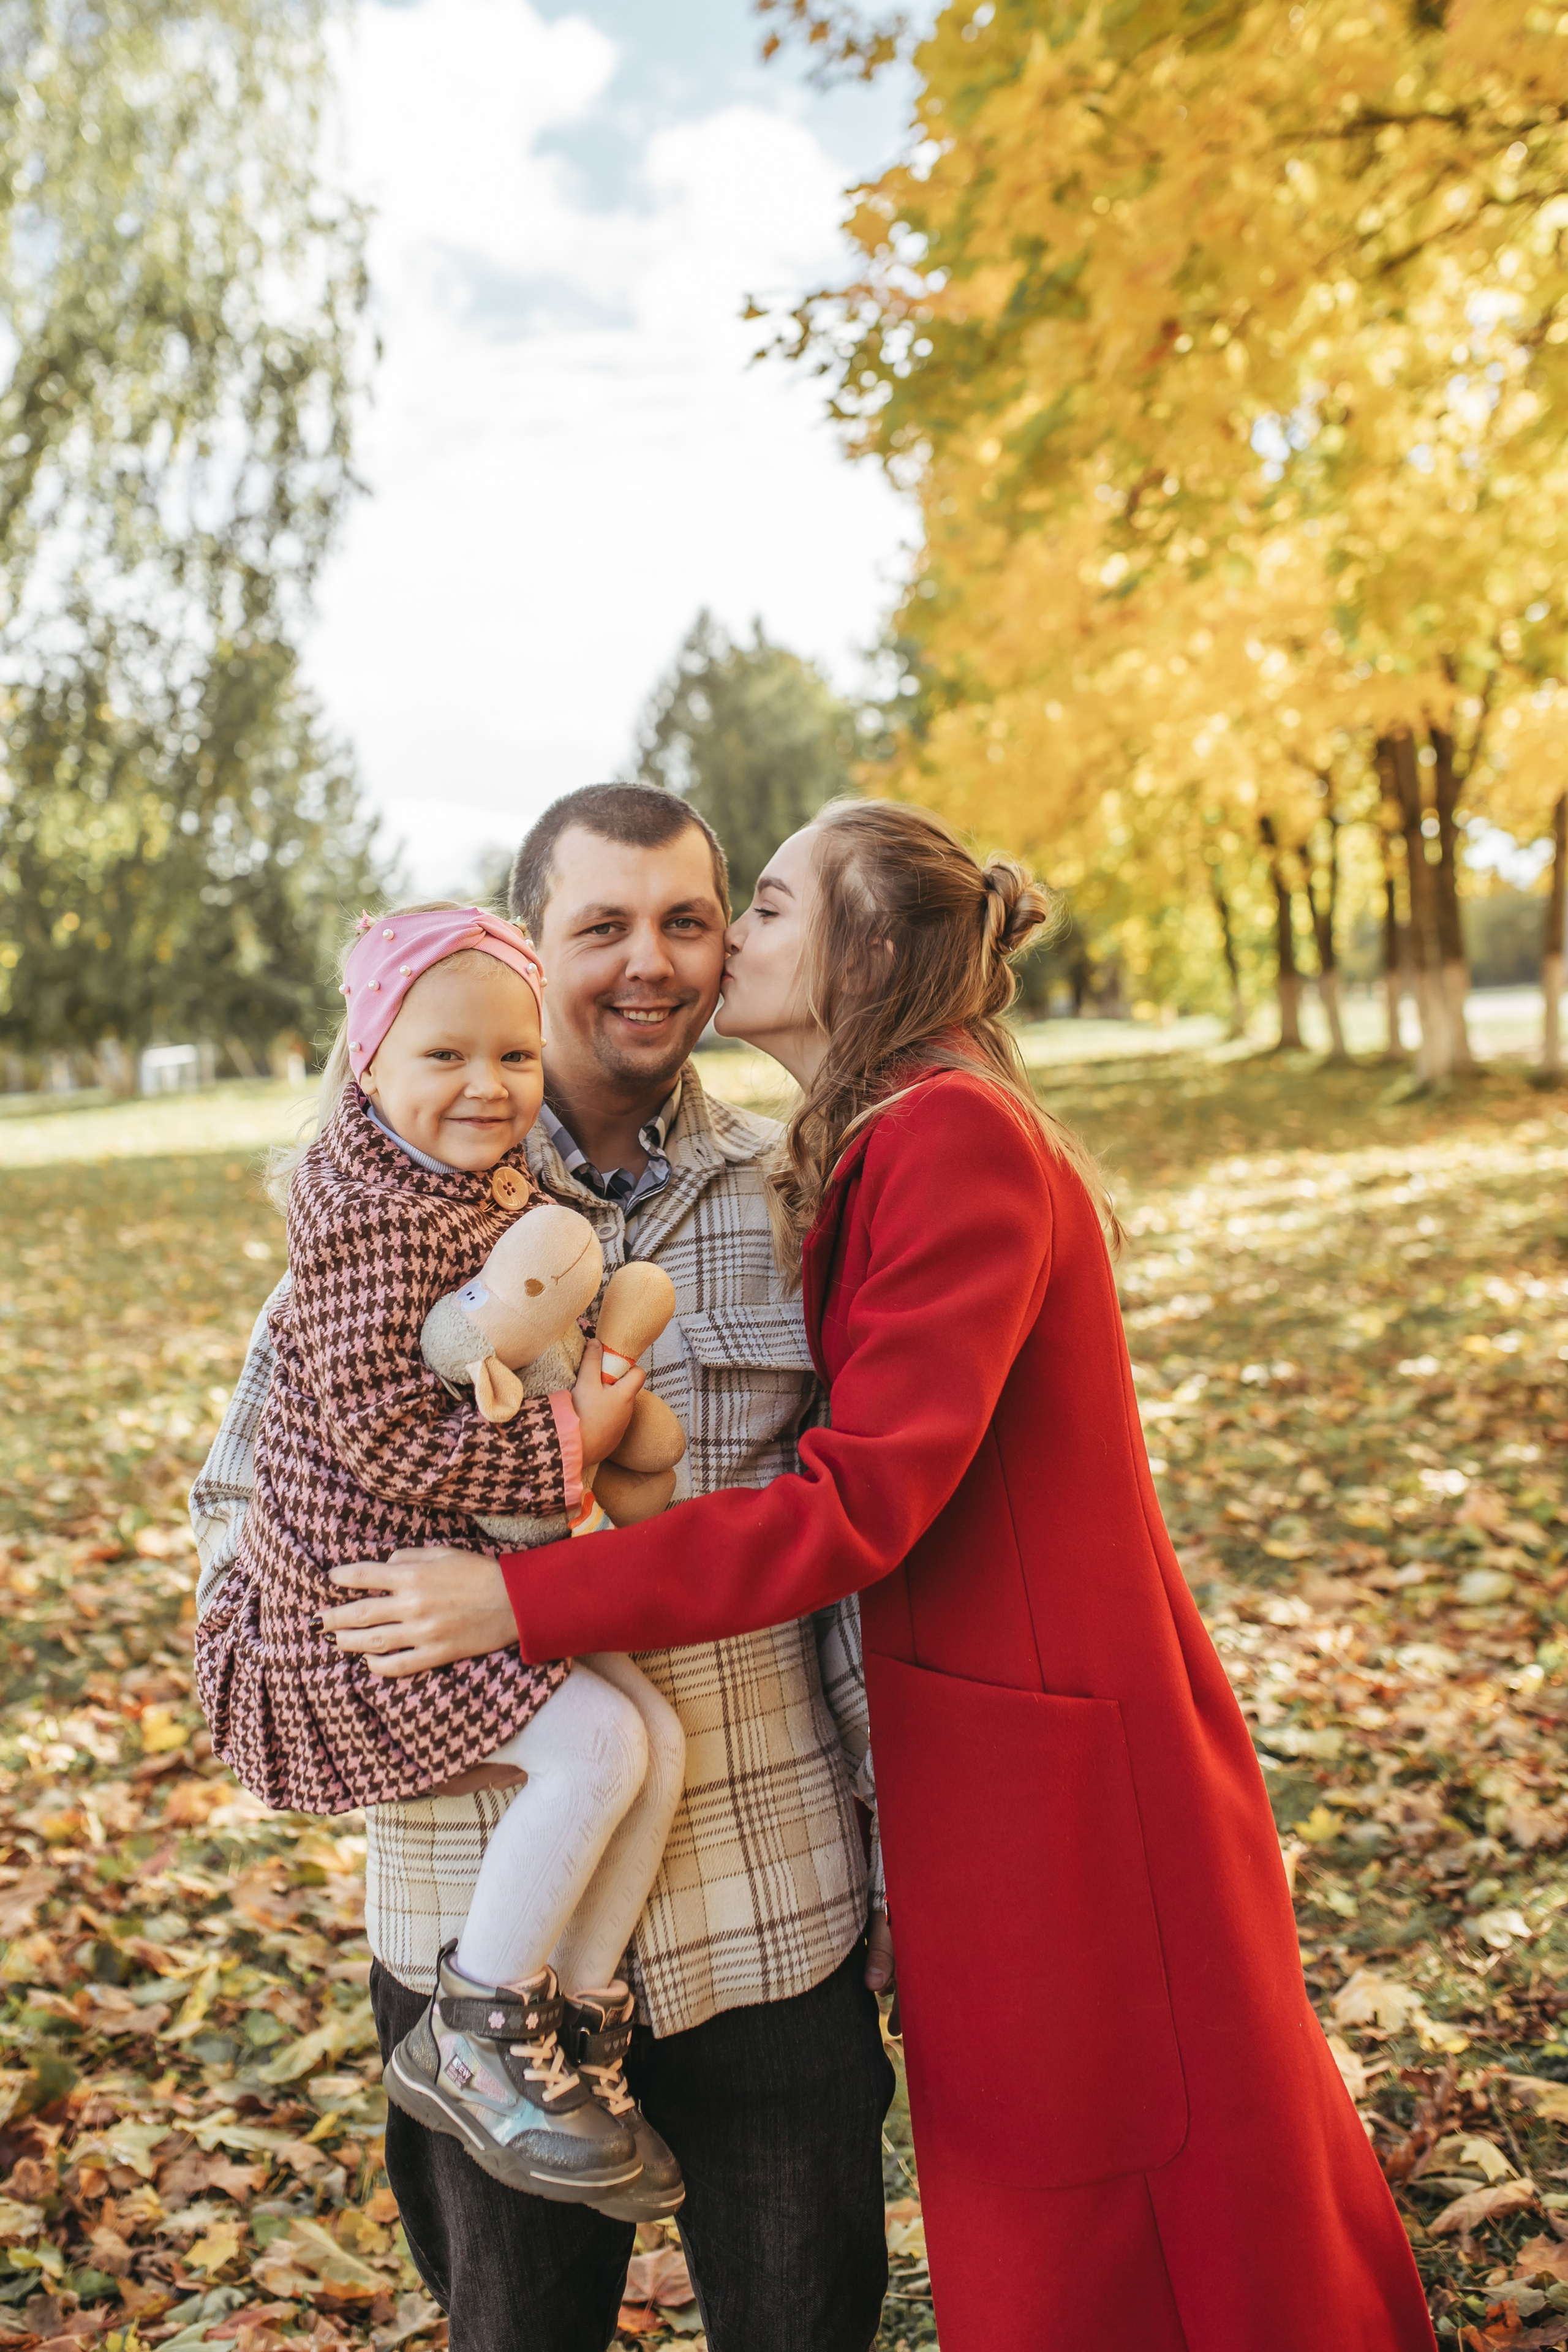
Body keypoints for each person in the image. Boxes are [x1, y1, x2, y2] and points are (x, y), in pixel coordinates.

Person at [330, 800, 1439, 2352]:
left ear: (855, 951)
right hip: (592, 1868)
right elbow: (276, 1486)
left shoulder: (921, 1140)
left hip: (947, 1802)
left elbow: (855, 1511)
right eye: (605, 928)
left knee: (1132, 2189)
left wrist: (525, 1598)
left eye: (739, 915)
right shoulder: (410, 1199)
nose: (689, 963)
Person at [190, 786, 894, 2352]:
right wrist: (370, 1614)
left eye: (686, 923)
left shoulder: (800, 1188)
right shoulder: (390, 1197)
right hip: (469, 1903)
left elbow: (860, 1554)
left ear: (723, 947)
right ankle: (498, 2032)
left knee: (803, 2325)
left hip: (761, 1910)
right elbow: (242, 1493)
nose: (646, 963)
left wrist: (895, 1859)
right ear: (532, 943)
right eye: (599, 928)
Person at [195, 899, 690, 2217]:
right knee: (595, 1745)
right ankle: (476, 2031)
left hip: (434, 1575)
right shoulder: (362, 1219)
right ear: (367, 1061)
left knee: (656, 1736)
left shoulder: (466, 1184)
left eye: (514, 1058)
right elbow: (394, 1444)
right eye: (444, 1056)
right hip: (351, 1606)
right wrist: (568, 1442)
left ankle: (573, 2031)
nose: (488, 1087)